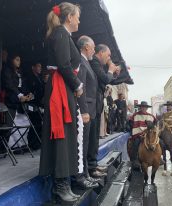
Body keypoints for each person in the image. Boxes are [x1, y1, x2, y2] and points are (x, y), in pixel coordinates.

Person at [39, 3, 83, 203]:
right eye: (77, 17)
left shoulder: (62, 34)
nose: (79, 21)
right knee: (61, 134)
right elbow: (64, 65)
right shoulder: (61, 34)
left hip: (62, 87)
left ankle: (63, 182)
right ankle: (60, 185)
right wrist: (78, 85)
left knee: (65, 134)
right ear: (69, 18)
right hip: (61, 88)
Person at [88, 44, 119, 177]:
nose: (109, 58)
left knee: (94, 139)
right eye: (108, 55)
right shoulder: (94, 62)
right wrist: (111, 70)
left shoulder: (99, 65)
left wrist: (114, 73)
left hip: (97, 106)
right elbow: (106, 79)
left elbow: (108, 81)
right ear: (101, 53)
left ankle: (93, 165)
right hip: (91, 107)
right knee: (91, 140)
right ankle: (90, 168)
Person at [75, 35, 99, 188]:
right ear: (86, 47)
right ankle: (82, 176)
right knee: (82, 145)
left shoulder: (86, 62)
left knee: (87, 143)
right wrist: (84, 110)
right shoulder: (81, 62)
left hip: (90, 109)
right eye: (93, 47)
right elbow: (80, 90)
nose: (94, 51)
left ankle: (86, 174)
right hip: (85, 110)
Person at [129, 101, 157, 169]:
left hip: (148, 134)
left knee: (160, 142)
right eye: (142, 107)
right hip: (138, 134)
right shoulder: (135, 115)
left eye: (145, 107)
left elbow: (155, 124)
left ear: (147, 108)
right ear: (140, 107)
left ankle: (159, 158)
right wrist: (135, 130)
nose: (143, 108)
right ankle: (135, 160)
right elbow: (131, 123)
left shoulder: (151, 116)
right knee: (135, 143)